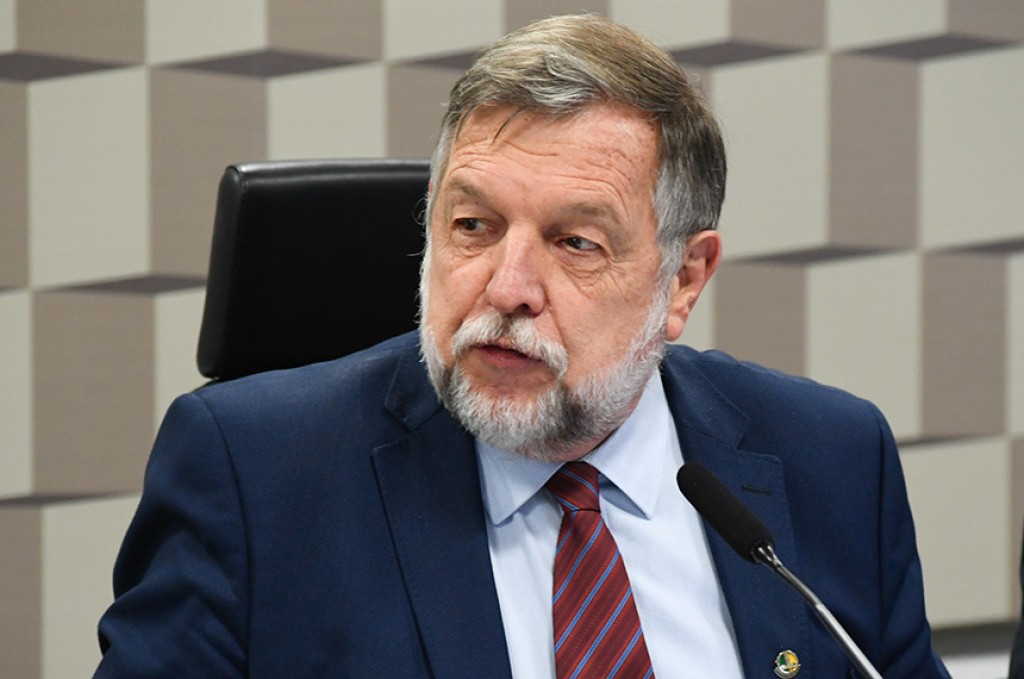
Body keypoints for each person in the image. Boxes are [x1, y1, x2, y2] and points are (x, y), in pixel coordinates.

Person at [95, 14, 950, 678]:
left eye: (576, 242)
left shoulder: (831, 459)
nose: (507, 288)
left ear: (684, 280)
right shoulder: (254, 476)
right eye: (473, 225)